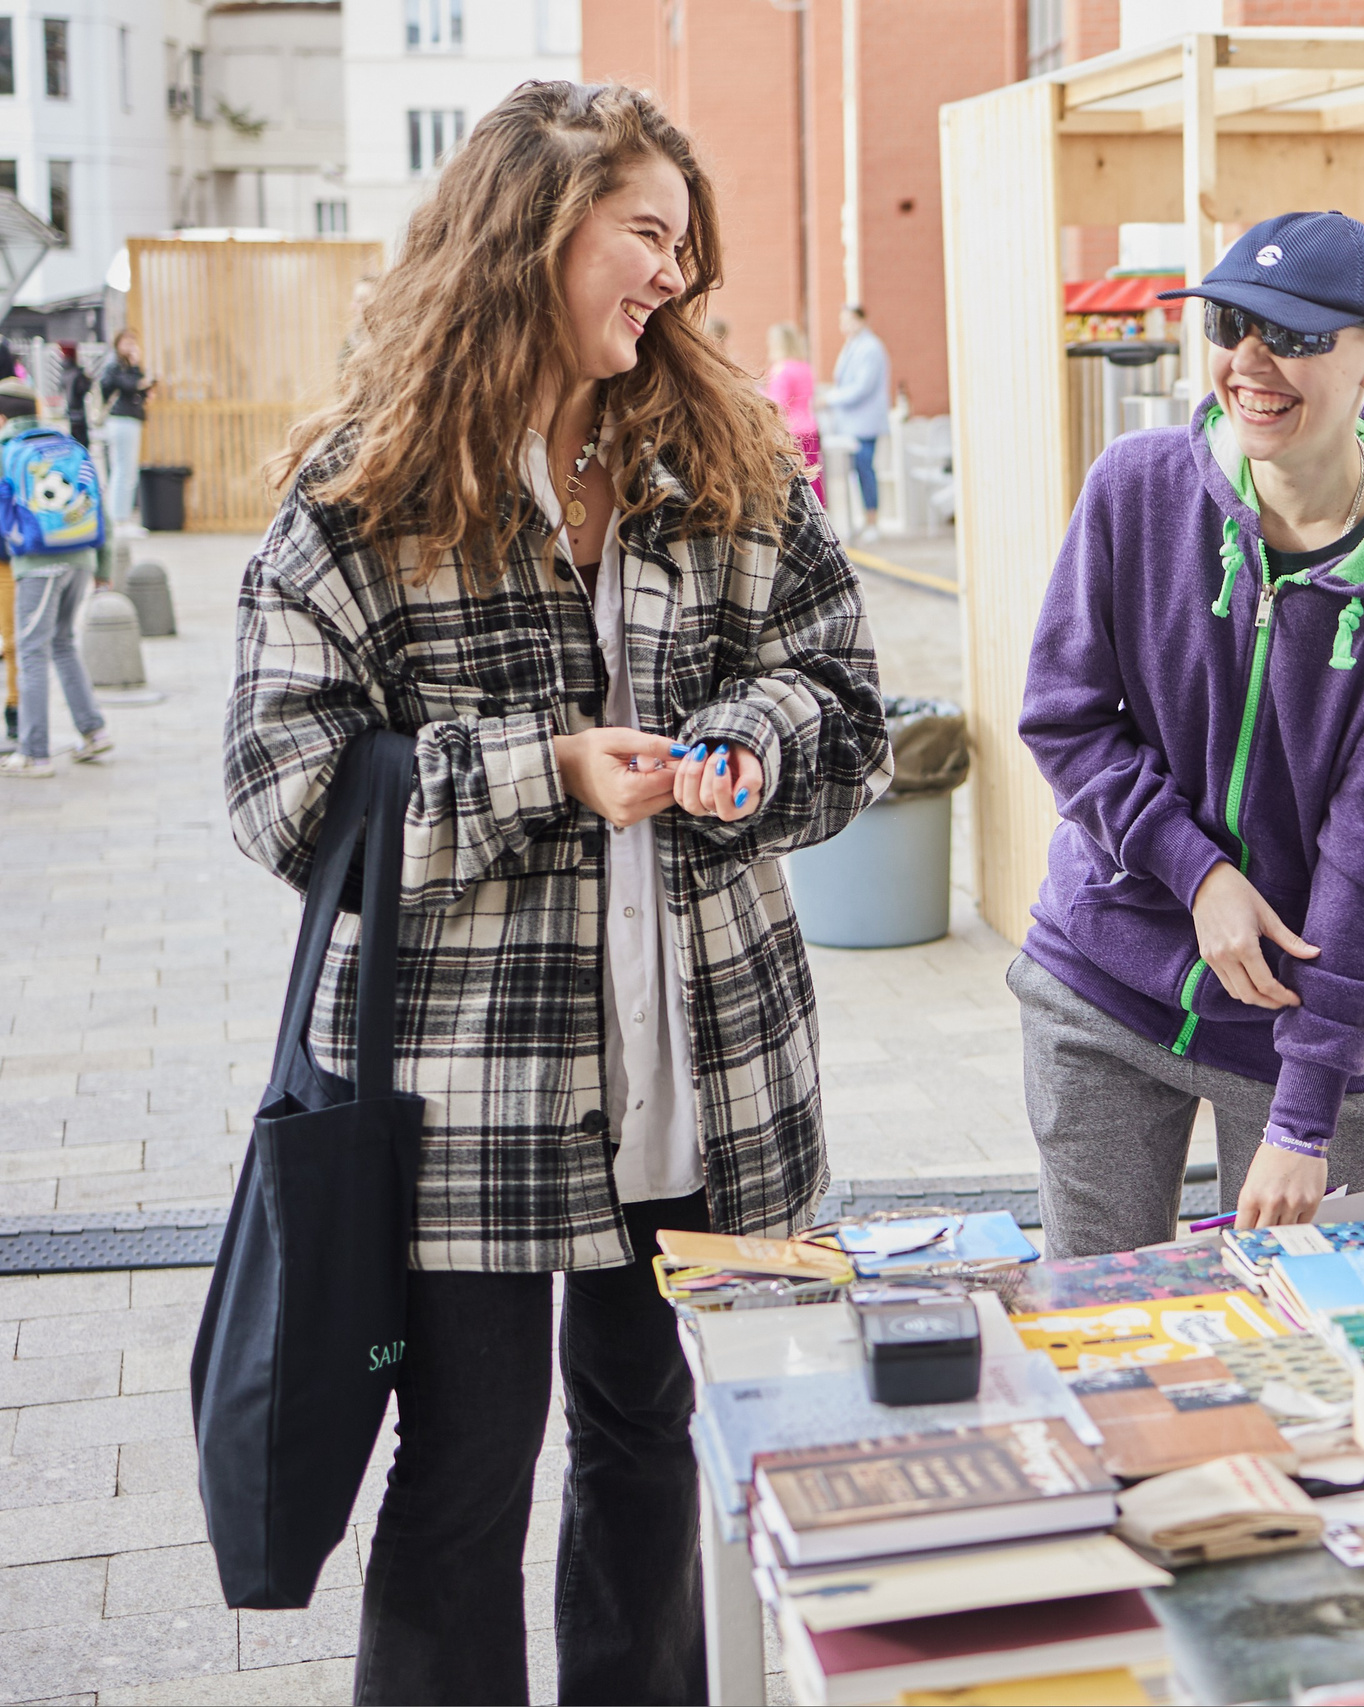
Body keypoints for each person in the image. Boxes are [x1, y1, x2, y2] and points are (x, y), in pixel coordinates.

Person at [225, 82, 890, 1702]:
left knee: (650, 1438)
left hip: (706, 1068)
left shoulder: (728, 459)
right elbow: (282, 789)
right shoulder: (364, 496)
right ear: (532, 232)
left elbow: (848, 699)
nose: (675, 273)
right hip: (469, 1099)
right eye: (646, 232)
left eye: (685, 245)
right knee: (466, 1467)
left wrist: (752, 744)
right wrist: (547, 771)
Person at [1013, 210, 1364, 1254]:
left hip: (1307, 1031)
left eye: (1298, 335)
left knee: (1306, 1338)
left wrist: (1305, 1113)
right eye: (1230, 324)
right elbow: (1064, 717)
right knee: (1101, 1325)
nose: (1250, 362)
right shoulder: (1136, 490)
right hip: (1104, 977)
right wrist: (1198, 875)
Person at [0, 380, 110, 778]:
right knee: (62, 644)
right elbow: (101, 507)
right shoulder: (68, 446)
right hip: (81, 557)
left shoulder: (7, 452)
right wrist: (104, 568)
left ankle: (35, 753)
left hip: (38, 564)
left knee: (31, 653)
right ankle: (93, 731)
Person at [826, 301, 889, 541]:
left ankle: (872, 521)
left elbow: (862, 387)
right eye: (843, 322)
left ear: (862, 320)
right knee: (857, 473)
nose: (845, 326)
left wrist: (830, 399)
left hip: (865, 423)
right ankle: (863, 519)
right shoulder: (851, 346)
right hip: (851, 423)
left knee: (865, 469)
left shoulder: (870, 348)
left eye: (850, 321)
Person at [763, 321, 823, 505]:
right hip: (810, 428)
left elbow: (777, 404)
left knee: (797, 482)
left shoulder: (781, 369)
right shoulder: (805, 367)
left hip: (791, 432)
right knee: (813, 478)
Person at [98, 329, 151, 532]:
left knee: (126, 470)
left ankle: (121, 518)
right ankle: (118, 520)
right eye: (126, 343)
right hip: (120, 420)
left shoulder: (127, 367)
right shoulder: (115, 366)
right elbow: (128, 385)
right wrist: (136, 369)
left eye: (133, 343)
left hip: (129, 419)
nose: (130, 347)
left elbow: (139, 389)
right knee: (123, 470)